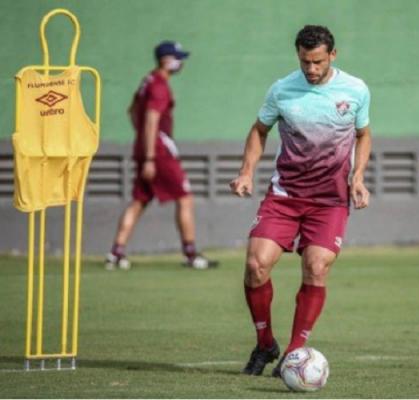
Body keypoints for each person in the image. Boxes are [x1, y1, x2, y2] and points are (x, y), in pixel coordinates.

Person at [230, 25, 371, 376]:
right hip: (285, 196)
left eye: (318, 62)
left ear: (332, 56)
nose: (311, 69)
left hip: (330, 200)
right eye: (305, 61)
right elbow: (259, 130)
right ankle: (265, 344)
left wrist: (358, 176)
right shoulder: (282, 90)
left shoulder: (355, 90)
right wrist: (247, 171)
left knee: (316, 267)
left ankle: (294, 352)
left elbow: (363, 134)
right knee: (255, 267)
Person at [105, 41, 218, 270]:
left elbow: (132, 112)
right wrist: (150, 156)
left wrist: (142, 141)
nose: (181, 62)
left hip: (145, 146)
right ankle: (191, 254)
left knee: (140, 200)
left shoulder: (147, 81)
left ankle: (116, 253)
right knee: (185, 197)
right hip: (157, 151)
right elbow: (151, 119)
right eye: (178, 58)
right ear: (167, 60)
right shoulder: (159, 86)